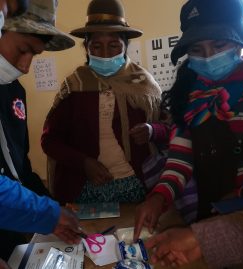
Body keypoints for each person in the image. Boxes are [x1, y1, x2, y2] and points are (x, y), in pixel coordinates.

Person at [134, 0, 243, 267]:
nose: (209, 57)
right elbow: (180, 160)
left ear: (238, 42)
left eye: (218, 45)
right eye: (197, 50)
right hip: (212, 228)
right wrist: (158, 197)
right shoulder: (190, 99)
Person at [41, 0, 169, 205]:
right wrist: (83, 163)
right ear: (86, 48)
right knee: (93, 238)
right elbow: (50, 141)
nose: (105, 54)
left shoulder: (144, 85)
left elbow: (169, 128)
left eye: (114, 46)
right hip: (84, 188)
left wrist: (153, 130)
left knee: (135, 236)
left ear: (125, 46)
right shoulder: (74, 86)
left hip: (138, 185)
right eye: (96, 47)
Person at [0, 0, 82, 261]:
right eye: (23, 49)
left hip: (12, 228)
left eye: (34, 55)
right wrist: (47, 212)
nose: (25, 67)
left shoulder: (13, 91)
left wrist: (51, 207)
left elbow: (18, 167)